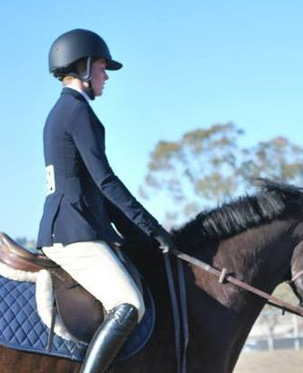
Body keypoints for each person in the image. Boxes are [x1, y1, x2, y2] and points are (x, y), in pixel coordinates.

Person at [36, 29, 175, 373]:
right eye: (101, 67)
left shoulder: (63, 111)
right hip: (73, 233)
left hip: (72, 226)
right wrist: (153, 228)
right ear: (83, 67)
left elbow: (95, 190)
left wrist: (141, 234)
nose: (106, 76)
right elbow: (106, 182)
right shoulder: (76, 112)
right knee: (128, 303)